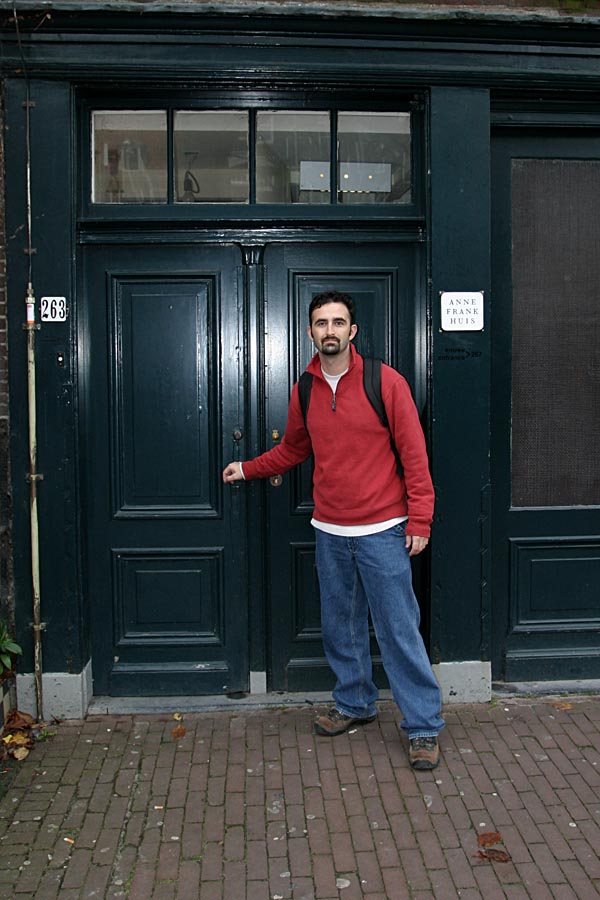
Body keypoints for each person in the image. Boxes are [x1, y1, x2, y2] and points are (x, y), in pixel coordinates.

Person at [222, 290, 444, 770]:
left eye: (338, 322)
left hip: (385, 528)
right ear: (309, 332)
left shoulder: (386, 383)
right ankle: (355, 703)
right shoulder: (305, 389)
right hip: (330, 529)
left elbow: (415, 457)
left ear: (352, 331)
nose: (330, 331)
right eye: (321, 323)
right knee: (340, 627)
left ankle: (423, 727)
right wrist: (249, 467)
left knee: (398, 629)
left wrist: (420, 518)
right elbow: (293, 450)